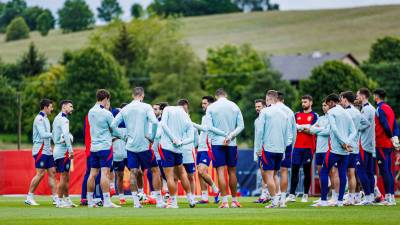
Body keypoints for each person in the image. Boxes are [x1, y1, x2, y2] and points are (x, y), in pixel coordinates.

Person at [111, 87, 165, 208]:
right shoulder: (146, 107)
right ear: (143, 95)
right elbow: (155, 122)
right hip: (144, 145)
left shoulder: (125, 108)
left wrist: (123, 136)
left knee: (133, 172)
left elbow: (113, 125)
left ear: (132, 95)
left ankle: (136, 202)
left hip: (131, 145)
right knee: (155, 170)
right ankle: (159, 201)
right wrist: (152, 136)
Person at [312, 94, 356, 207]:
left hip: (334, 149)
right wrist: (347, 142)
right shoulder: (346, 112)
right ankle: (340, 201)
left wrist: (343, 142)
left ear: (331, 102)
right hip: (345, 151)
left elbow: (334, 130)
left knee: (324, 171)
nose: (327, 106)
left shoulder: (331, 112)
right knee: (342, 174)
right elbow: (354, 131)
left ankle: (323, 200)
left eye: (327, 103)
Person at [205, 88, 245, 208]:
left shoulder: (211, 107)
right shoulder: (234, 106)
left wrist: (223, 135)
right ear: (226, 95)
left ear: (216, 96)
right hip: (231, 143)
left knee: (220, 172)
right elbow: (241, 126)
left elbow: (209, 127)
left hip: (217, 143)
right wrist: (230, 135)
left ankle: (224, 202)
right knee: (232, 171)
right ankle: (234, 200)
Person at [86, 89, 122, 208]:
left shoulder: (90, 111)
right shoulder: (107, 113)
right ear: (106, 99)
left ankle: (90, 201)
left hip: (93, 147)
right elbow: (114, 129)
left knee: (92, 174)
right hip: (105, 147)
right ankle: (106, 201)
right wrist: (124, 137)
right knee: (105, 174)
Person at [158, 100, 197, 208]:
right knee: (182, 174)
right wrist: (180, 142)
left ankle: (174, 203)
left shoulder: (167, 109)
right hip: (179, 149)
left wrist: (173, 138)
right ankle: (191, 199)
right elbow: (192, 138)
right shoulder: (185, 116)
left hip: (167, 147)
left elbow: (164, 125)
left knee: (170, 176)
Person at [255, 90, 289, 208]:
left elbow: (260, 131)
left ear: (268, 98)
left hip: (268, 148)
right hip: (280, 149)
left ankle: (274, 201)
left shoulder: (264, 111)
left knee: (269, 176)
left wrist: (258, 148)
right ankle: (279, 200)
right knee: (275, 175)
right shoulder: (284, 113)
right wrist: (284, 149)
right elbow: (287, 134)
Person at [25, 99, 58, 206]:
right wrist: (55, 133)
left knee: (52, 172)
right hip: (40, 150)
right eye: (51, 107)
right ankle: (29, 197)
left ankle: (55, 198)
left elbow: (47, 136)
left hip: (47, 151)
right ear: (45, 107)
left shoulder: (46, 119)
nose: (52, 109)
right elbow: (43, 134)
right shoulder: (39, 119)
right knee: (40, 174)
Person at [340, 91, 370, 206]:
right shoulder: (357, 112)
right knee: (352, 172)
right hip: (355, 145)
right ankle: (355, 197)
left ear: (345, 99)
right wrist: (357, 129)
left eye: (341, 99)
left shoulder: (344, 113)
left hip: (347, 146)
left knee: (349, 173)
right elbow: (367, 124)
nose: (341, 101)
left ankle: (350, 197)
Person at [288, 95, 318, 203]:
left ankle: (305, 194)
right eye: (302, 102)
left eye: (305, 102)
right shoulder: (297, 115)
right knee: (294, 170)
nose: (303, 104)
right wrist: (303, 127)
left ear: (311, 102)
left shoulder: (314, 115)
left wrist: (300, 127)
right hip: (296, 147)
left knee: (306, 171)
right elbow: (292, 127)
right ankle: (292, 194)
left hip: (308, 147)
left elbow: (312, 130)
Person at [373, 88, 399, 205]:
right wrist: (395, 137)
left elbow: (384, 124)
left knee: (385, 172)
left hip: (382, 144)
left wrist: (390, 136)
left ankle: (389, 197)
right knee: (389, 171)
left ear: (376, 96)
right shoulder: (389, 108)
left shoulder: (379, 108)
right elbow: (395, 125)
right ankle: (391, 196)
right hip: (389, 145)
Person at [192, 96, 220, 204]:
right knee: (199, 173)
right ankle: (204, 197)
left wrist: (191, 123)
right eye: (202, 103)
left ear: (210, 104)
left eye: (204, 103)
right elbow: (202, 133)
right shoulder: (205, 117)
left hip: (207, 148)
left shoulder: (212, 116)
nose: (202, 105)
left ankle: (216, 190)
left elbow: (205, 129)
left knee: (202, 171)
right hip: (200, 148)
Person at [310, 101, 338, 203]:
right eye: (322, 105)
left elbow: (328, 132)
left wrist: (318, 130)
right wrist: (322, 129)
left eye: (325, 105)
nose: (323, 107)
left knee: (331, 173)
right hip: (319, 150)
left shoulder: (332, 117)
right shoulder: (320, 118)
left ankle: (334, 196)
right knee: (321, 173)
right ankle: (323, 196)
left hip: (328, 150)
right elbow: (311, 129)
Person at [53, 100, 76, 208]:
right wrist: (70, 150)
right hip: (62, 151)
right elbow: (66, 135)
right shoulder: (64, 119)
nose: (72, 108)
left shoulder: (57, 118)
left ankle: (67, 199)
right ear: (64, 106)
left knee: (66, 177)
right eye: (70, 106)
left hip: (58, 150)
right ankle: (59, 201)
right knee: (63, 177)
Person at [355, 88, 376, 205]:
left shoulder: (366, 109)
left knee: (361, 171)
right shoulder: (372, 108)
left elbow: (365, 125)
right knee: (369, 172)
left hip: (363, 144)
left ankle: (367, 197)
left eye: (357, 96)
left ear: (363, 96)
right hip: (370, 144)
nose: (356, 98)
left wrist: (354, 128)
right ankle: (371, 196)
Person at [276, 92, 297, 206]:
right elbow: (294, 131)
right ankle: (283, 200)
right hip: (287, 144)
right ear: (283, 100)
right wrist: (291, 145)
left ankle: (275, 199)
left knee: (272, 173)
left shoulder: (270, 110)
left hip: (273, 145)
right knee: (284, 171)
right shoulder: (289, 111)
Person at [253, 99, 270, 204]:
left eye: (259, 106)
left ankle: (270, 193)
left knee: (267, 172)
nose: (257, 109)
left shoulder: (268, 118)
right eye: (256, 107)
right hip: (260, 150)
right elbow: (256, 137)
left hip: (268, 149)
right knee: (263, 171)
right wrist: (256, 152)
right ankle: (265, 194)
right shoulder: (256, 120)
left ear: (264, 107)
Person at [111, 103, 128, 205]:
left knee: (136, 172)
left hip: (129, 152)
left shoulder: (129, 124)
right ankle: (121, 197)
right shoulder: (113, 125)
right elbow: (109, 138)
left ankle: (139, 194)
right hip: (117, 153)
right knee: (120, 175)